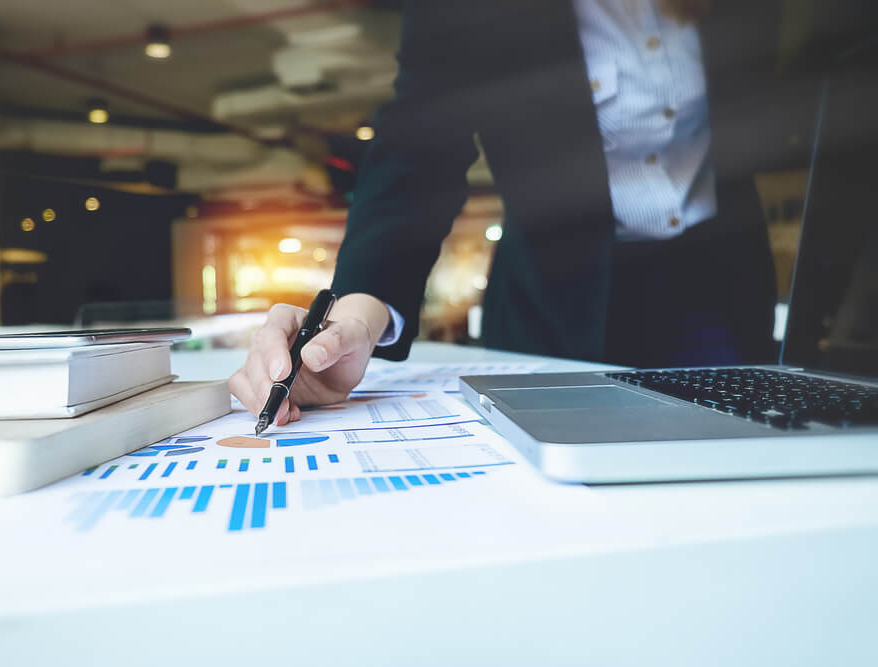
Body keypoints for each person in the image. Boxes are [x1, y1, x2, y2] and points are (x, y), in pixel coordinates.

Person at [230, 0, 821, 424]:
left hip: (713, 288)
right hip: (560, 298)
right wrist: (358, 313)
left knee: (741, 461)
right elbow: (418, 150)